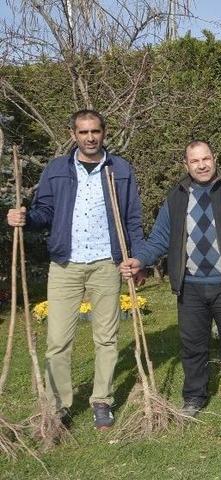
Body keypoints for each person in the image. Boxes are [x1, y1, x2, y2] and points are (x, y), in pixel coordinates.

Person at [6, 109, 144, 429]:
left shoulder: (120, 169)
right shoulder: (57, 169)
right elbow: (44, 211)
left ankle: (102, 400)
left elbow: (132, 219)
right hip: (65, 263)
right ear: (73, 135)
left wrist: (138, 259)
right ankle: (57, 406)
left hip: (106, 263)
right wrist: (25, 218)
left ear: (104, 132)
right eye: (83, 132)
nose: (90, 137)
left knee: (106, 338)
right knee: (57, 341)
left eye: (95, 131)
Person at [119, 140, 221, 420]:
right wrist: (140, 260)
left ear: (214, 158)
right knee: (193, 345)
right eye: (195, 161)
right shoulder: (177, 196)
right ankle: (194, 396)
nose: (202, 165)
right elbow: (160, 237)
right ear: (186, 165)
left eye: (206, 159)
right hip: (191, 286)